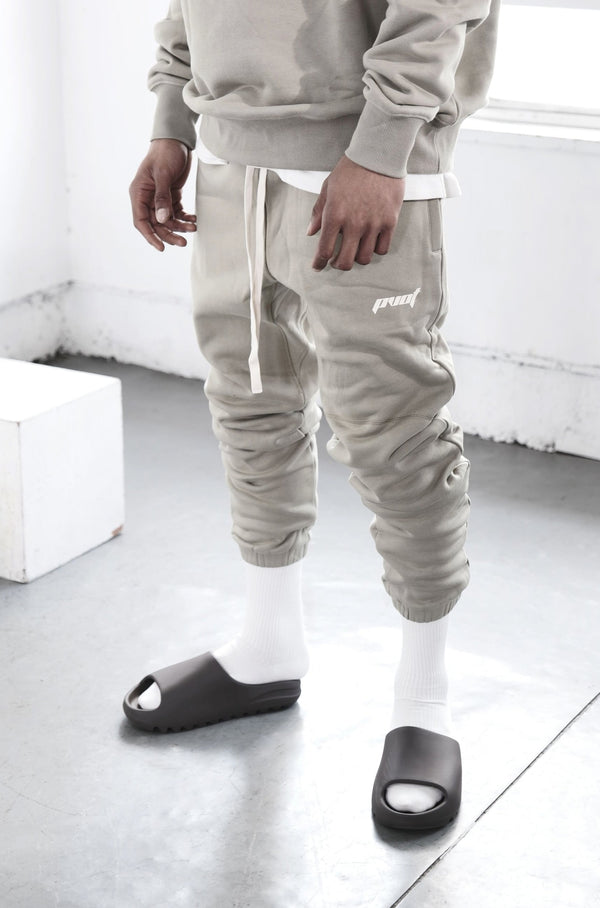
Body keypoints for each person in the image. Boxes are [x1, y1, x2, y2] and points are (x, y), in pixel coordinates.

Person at [123, 0, 500, 831]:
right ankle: (268, 645)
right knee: (249, 399)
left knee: (394, 435)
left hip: (360, 162)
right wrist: (172, 121)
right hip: (229, 154)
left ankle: (425, 699)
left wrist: (381, 148)